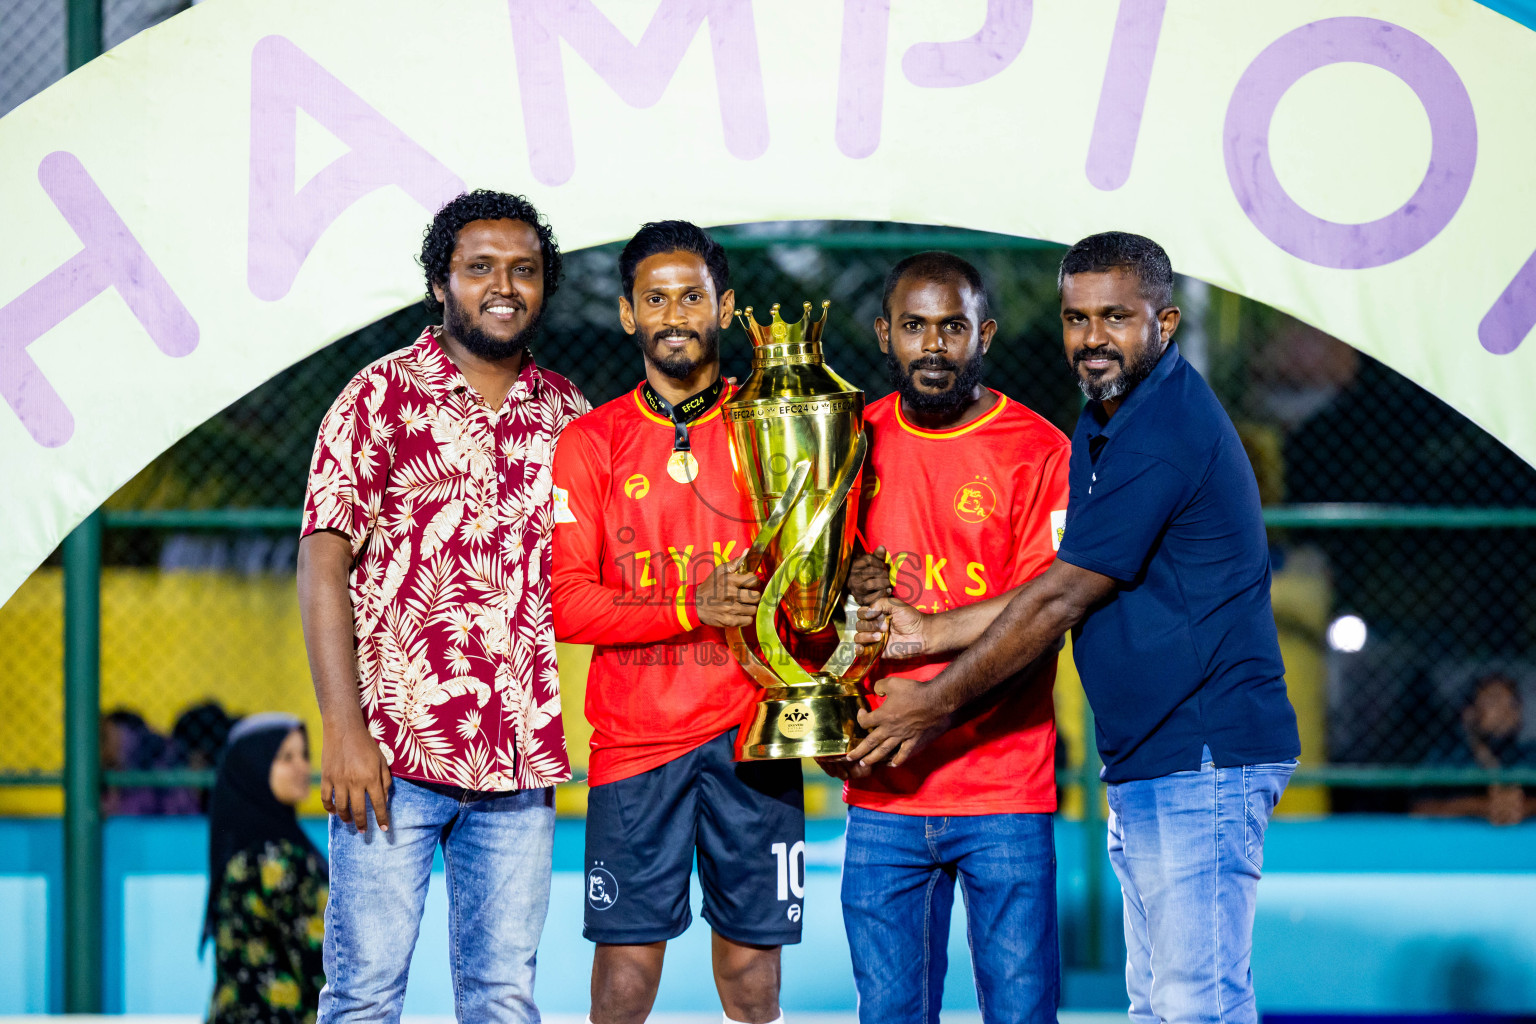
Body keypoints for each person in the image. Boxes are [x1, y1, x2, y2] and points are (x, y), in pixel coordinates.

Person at [848, 231, 1301, 1024]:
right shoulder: (1110, 424)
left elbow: (1059, 600)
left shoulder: (1161, 432)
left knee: (1198, 1005)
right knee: (1160, 1004)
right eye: (1077, 317)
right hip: (1153, 759)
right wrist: (920, 634)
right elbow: (1054, 588)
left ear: (1165, 323)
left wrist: (933, 700)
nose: (1093, 338)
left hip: (1203, 755)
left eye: (1116, 317)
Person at [297, 190, 591, 1022]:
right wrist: (344, 731)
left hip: (521, 761)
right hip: (390, 758)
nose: (504, 286)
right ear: (440, 283)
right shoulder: (376, 398)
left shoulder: (569, 416)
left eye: (524, 271)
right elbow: (322, 565)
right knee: (363, 997)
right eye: (480, 268)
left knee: (502, 999)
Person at [551, 220, 802, 1024]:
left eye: (692, 296)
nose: (674, 314)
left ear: (724, 308)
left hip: (753, 734)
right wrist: (694, 606)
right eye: (654, 299)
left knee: (753, 980)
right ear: (628, 315)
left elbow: (810, 574)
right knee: (624, 982)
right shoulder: (592, 442)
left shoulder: (775, 424)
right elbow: (567, 603)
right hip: (635, 745)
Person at [826, 252, 1069, 1023]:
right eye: (915, 327)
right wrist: (841, 589)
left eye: (952, 327)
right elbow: (803, 596)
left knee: (1021, 1014)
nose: (933, 346)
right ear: (885, 335)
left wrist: (927, 665)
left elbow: (1044, 613)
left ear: (984, 334)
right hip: (883, 793)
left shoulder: (1038, 449)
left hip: (1004, 787)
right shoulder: (845, 444)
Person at [205, 713, 328, 1024]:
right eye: (286, 758)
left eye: (304, 755)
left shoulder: (242, 850)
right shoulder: (278, 859)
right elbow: (321, 966)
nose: (303, 767)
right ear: (254, 767)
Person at [1414, 672, 1536, 825]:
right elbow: (1420, 809)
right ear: (1469, 714)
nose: (1506, 711)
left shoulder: (1530, 755)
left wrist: (1522, 808)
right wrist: (1482, 806)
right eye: (1494, 701)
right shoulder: (1448, 757)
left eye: (1513, 703)